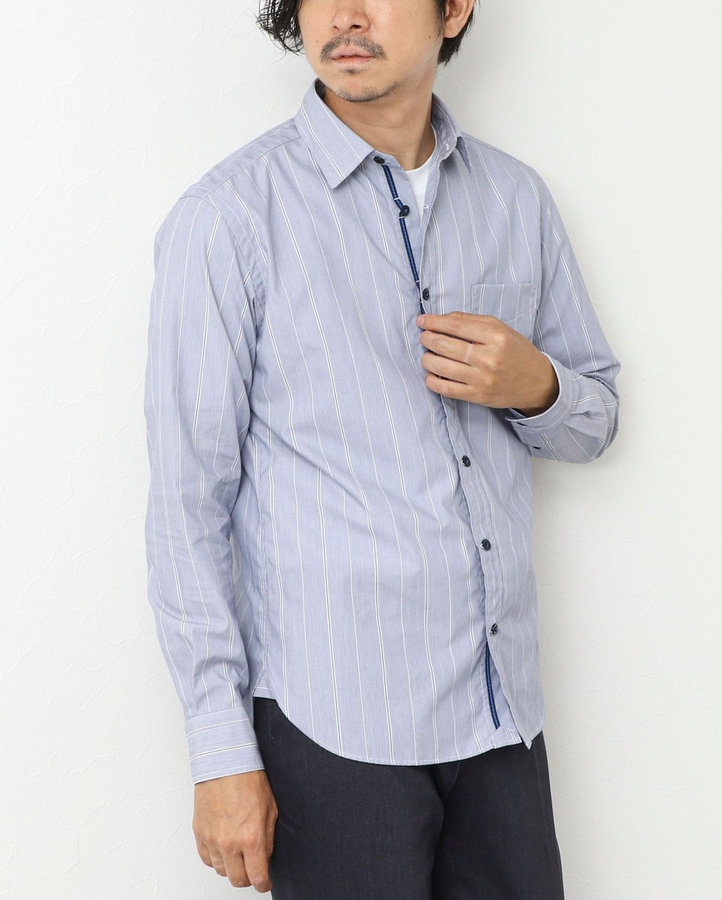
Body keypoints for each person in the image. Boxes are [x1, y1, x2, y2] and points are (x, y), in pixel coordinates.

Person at [143, 0, 620, 896]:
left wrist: (536, 385)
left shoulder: (515, 198)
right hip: (334, 726)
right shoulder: (229, 218)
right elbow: (185, 506)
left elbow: (596, 420)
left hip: (500, 713)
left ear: (454, 9)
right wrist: (220, 751)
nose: (346, 17)